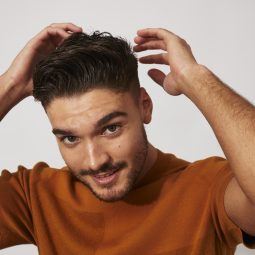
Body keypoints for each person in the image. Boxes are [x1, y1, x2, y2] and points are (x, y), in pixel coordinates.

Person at [0, 22, 255, 254]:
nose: (94, 161)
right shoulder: (36, 195)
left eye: (110, 129)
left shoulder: (208, 189)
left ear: (144, 106)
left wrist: (196, 78)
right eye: (70, 138)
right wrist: (10, 86)